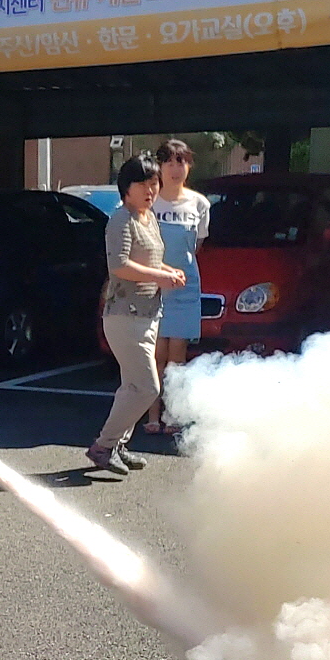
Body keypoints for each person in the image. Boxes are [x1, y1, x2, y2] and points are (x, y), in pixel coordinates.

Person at [87, 154, 185, 476]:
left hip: (148, 313)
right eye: (142, 183)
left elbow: (150, 261)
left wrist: (169, 272)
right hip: (124, 315)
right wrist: (160, 277)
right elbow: (119, 266)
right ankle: (103, 445)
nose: (150, 189)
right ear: (125, 188)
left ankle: (117, 445)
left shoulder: (148, 218)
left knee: (131, 386)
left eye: (154, 183)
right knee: (147, 387)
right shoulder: (121, 220)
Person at [144, 140, 209, 438]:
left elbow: (197, 247)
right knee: (156, 354)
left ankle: (173, 414)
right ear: (158, 167)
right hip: (152, 285)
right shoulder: (148, 201)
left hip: (185, 286)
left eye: (181, 161)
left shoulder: (200, 204)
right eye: (168, 161)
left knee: (177, 356)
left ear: (189, 166)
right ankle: (152, 415)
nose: (175, 168)